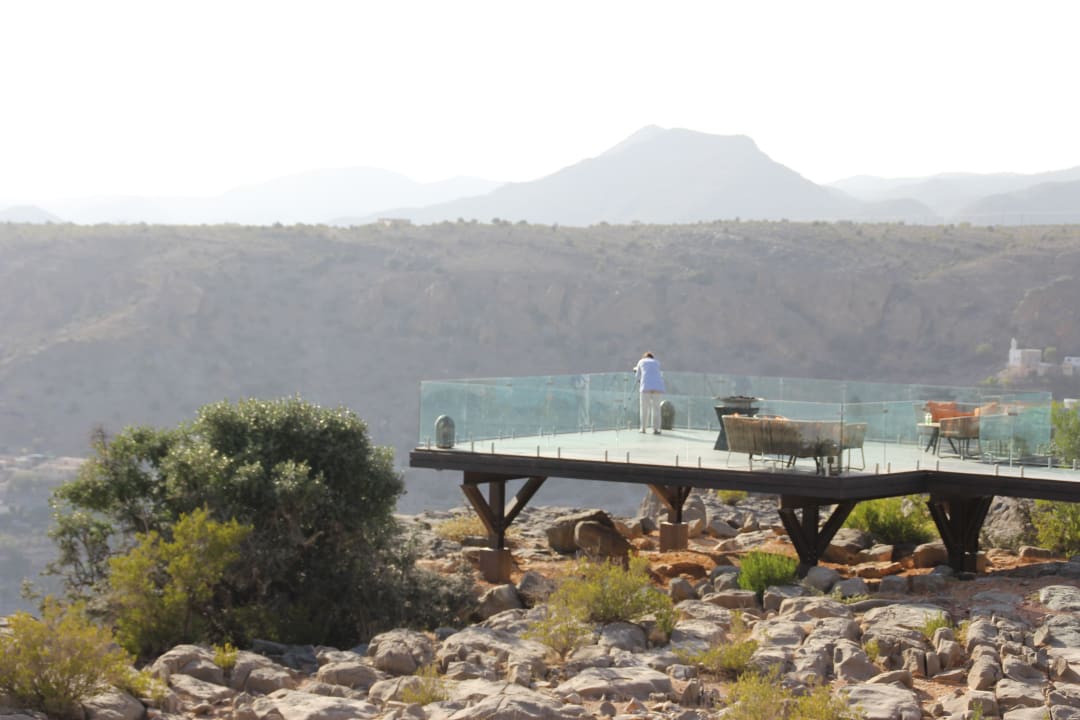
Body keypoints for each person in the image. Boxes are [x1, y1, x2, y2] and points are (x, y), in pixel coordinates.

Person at [633, 351, 665, 434]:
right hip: (658, 387)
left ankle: (643, 428)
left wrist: (636, 373)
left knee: (644, 408)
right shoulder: (657, 362)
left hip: (645, 387)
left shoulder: (641, 361)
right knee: (656, 409)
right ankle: (656, 429)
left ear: (644, 357)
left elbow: (637, 376)